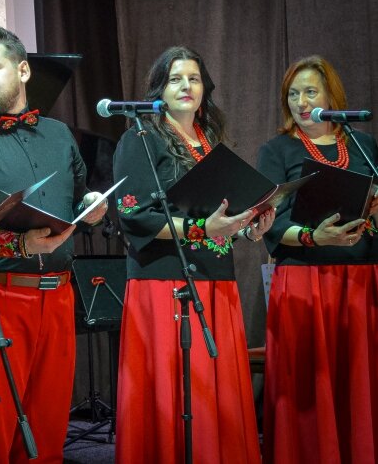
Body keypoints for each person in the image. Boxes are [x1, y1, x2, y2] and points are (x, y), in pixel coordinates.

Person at [0, 24, 107, 463]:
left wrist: (92, 208)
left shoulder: (59, 134)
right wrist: (21, 245)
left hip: (61, 297)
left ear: (24, 70)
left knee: (47, 430)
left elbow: (74, 207)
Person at [112, 45, 273, 463]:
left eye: (194, 78)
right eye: (175, 79)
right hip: (163, 281)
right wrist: (205, 227)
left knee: (213, 395)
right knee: (177, 392)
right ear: (158, 90)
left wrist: (248, 229)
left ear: (206, 89)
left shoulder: (211, 141)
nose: (186, 86)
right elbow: (134, 216)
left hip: (216, 281)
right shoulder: (140, 138)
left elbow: (218, 220)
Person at [257, 55, 378, 464]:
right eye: (293, 94)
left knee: (359, 386)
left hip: (361, 283)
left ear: (332, 97)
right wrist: (313, 236)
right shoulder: (277, 150)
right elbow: (272, 225)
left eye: (310, 92)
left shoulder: (364, 144)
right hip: (305, 281)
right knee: (311, 387)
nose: (301, 102)